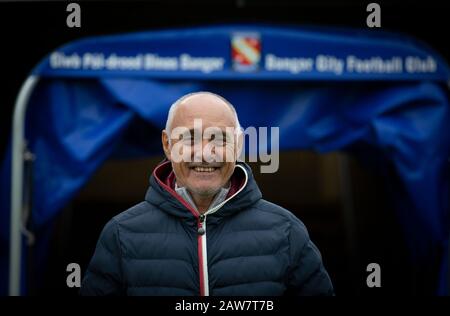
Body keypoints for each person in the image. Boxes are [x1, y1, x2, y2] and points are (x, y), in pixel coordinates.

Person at [80, 91, 334, 296]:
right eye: (190, 138)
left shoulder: (287, 230)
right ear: (168, 145)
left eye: (220, 139)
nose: (205, 153)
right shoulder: (120, 234)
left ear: (239, 145)